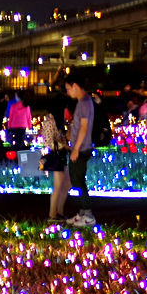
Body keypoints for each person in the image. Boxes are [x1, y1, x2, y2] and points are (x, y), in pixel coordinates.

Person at [63, 76, 97, 227]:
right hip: (81, 147)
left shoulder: (84, 103)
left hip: (81, 149)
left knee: (78, 181)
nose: (68, 92)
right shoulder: (84, 101)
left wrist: (75, 149)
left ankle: (88, 215)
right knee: (77, 180)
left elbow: (84, 127)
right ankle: (82, 213)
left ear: (75, 85)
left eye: (68, 88)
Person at [38, 111, 71, 221]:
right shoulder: (49, 121)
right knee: (58, 186)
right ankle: (53, 214)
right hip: (56, 156)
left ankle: (59, 212)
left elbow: (62, 137)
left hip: (61, 155)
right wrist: (63, 145)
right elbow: (48, 141)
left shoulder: (59, 120)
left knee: (66, 184)